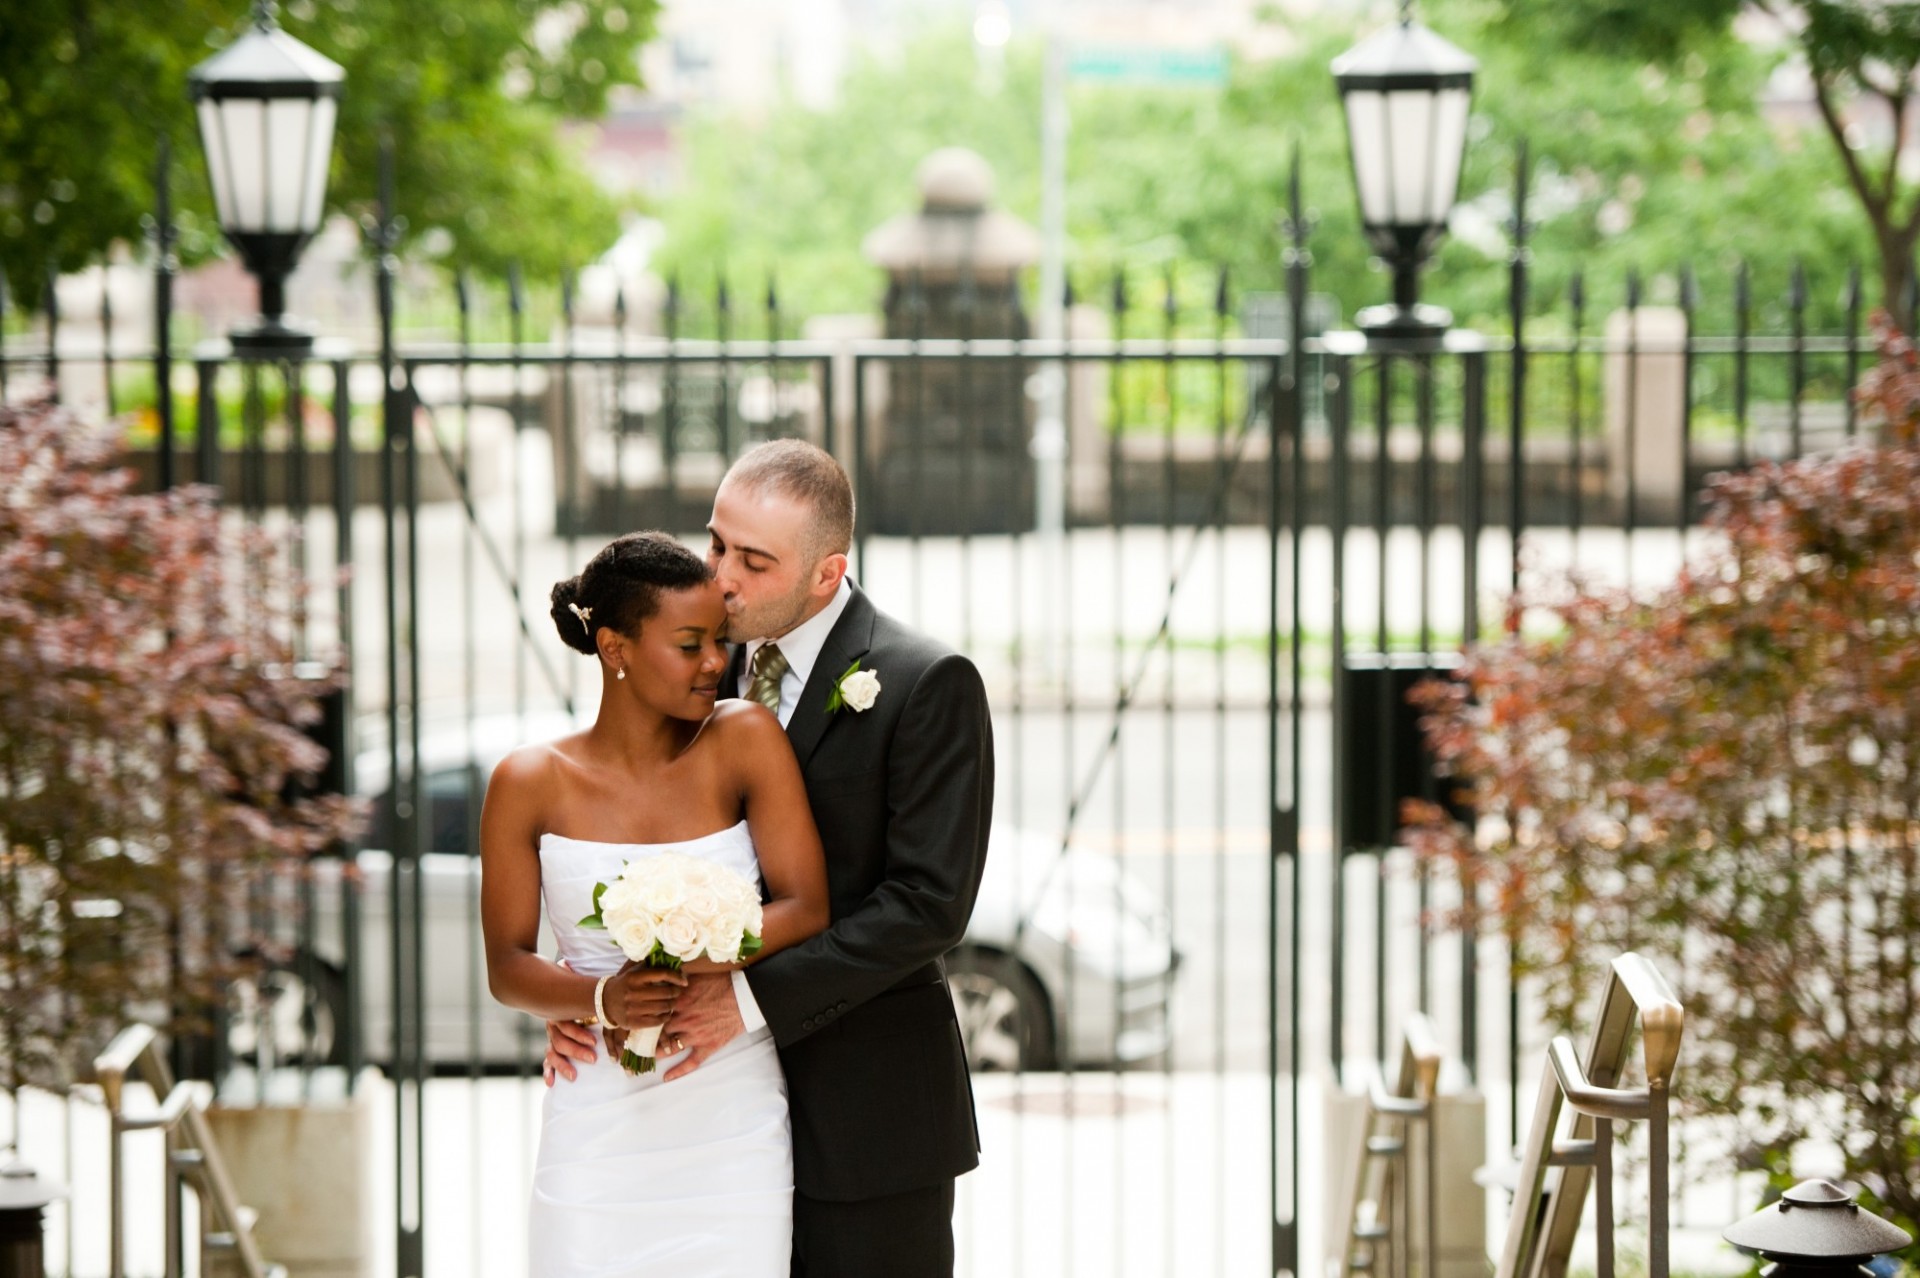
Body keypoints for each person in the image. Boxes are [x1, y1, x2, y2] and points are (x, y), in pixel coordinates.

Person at [545, 440, 995, 1277]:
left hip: (868, 1121)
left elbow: (928, 905)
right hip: (703, 1125)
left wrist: (745, 1001)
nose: (720, 577)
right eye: (717, 544)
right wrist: (594, 991)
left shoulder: (924, 682)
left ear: (827, 574)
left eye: (754, 561)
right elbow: (632, 838)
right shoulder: (687, 668)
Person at [481, 531, 831, 1276]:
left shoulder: (744, 738)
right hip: (597, 1125)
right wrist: (603, 998)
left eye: (718, 640)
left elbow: (805, 906)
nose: (715, 661)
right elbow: (508, 966)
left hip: (732, 1118)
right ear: (616, 648)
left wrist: (705, 953)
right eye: (689, 643)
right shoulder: (528, 782)